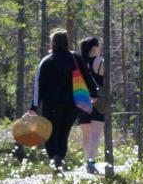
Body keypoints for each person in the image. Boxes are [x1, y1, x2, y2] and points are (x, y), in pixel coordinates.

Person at [30, 29, 81, 168]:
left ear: (53, 42)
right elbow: (86, 78)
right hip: (72, 105)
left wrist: (33, 107)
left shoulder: (46, 61)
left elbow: (38, 84)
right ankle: (60, 157)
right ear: (67, 42)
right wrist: (93, 95)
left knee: (51, 133)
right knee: (64, 133)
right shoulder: (75, 59)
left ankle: (55, 158)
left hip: (51, 105)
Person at [77, 36, 106, 174]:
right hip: (97, 99)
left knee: (86, 135)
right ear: (95, 48)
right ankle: (91, 162)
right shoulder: (100, 62)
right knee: (96, 133)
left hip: (82, 99)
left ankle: (86, 161)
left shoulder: (80, 62)